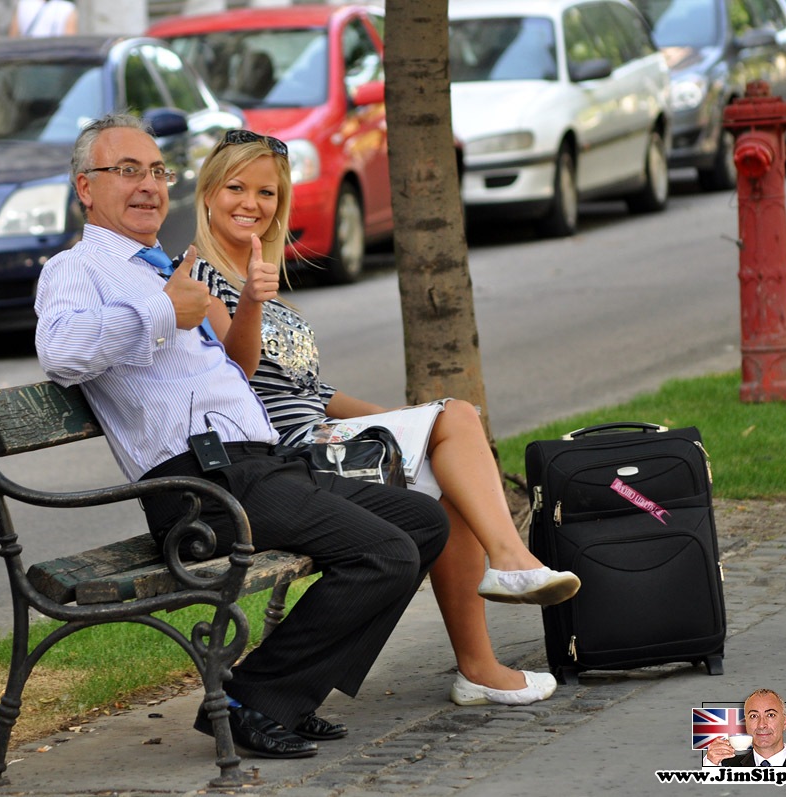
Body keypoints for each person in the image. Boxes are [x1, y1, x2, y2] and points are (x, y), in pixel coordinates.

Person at [34, 113, 449, 760]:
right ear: (86, 188)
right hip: (200, 486)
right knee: (385, 553)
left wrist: (229, 302)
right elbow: (60, 352)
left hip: (260, 467)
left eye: (157, 171)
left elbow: (233, 371)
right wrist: (163, 310)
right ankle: (249, 698)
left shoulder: (166, 268)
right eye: (127, 171)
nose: (148, 185)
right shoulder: (77, 268)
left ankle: (293, 693)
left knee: (422, 522)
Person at [188, 129, 581, 707]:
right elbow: (234, 374)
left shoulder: (265, 281)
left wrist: (404, 419)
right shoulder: (199, 278)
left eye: (267, 193)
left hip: (321, 436)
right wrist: (248, 299)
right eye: (236, 188)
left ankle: (482, 657)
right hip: (287, 458)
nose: (252, 203)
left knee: (452, 445)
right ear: (207, 193)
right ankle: (506, 575)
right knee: (453, 429)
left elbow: (312, 390)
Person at [704, 689, 786, 767]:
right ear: (746, 724)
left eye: (770, 715)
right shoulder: (724, 766)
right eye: (754, 716)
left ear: (785, 722)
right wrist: (710, 764)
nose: (761, 725)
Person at [8, 0, 78, 38]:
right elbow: (70, 44)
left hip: (27, 57)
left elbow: (13, 37)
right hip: (55, 57)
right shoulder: (67, 8)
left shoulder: (22, 4)